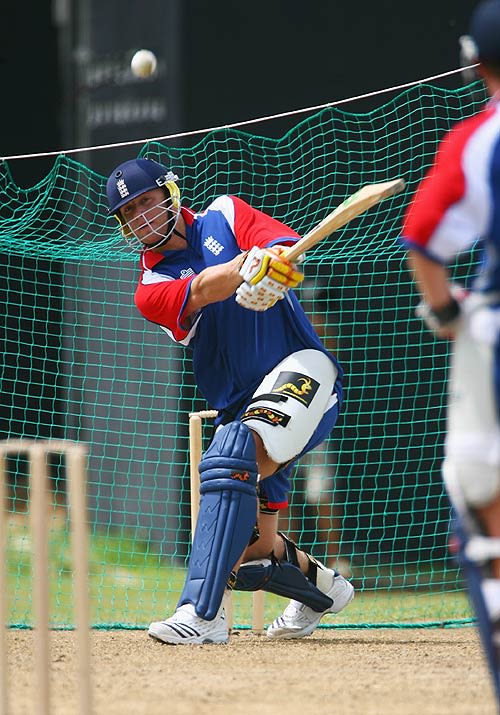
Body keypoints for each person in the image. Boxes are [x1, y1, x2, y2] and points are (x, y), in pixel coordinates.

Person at [105, 158, 354, 644]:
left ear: (170, 194)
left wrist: (276, 266)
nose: (141, 216)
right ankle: (325, 590)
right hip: (243, 406)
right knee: (250, 552)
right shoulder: (149, 288)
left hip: (303, 374)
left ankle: (202, 613)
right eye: (129, 212)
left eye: (146, 201)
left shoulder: (225, 213)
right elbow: (198, 289)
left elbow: (284, 242)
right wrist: (245, 268)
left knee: (231, 453)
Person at [401, 0, 500, 701]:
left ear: (478, 60)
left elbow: (423, 237)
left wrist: (444, 310)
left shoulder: (480, 138)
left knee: (481, 504)